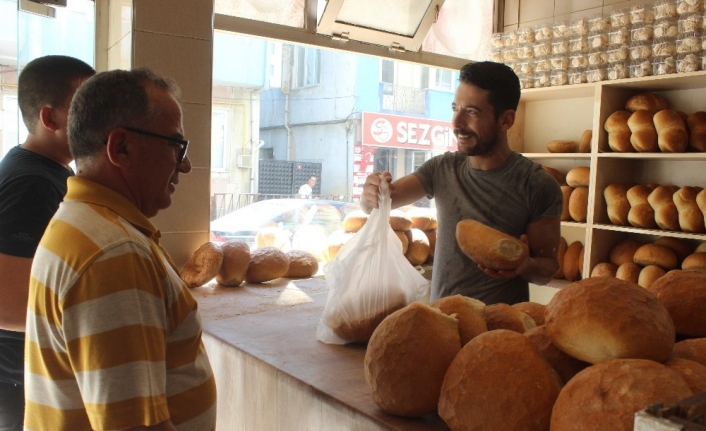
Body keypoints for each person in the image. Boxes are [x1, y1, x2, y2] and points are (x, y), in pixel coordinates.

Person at [24, 68, 216, 431]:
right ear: (121, 148)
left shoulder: (82, 222)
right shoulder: (113, 254)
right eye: (176, 146)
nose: (185, 165)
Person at [361, 61, 562, 306]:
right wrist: (371, 194)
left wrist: (525, 265)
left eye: (472, 112)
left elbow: (548, 269)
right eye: (455, 108)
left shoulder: (537, 184)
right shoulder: (441, 169)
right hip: (442, 324)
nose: (456, 123)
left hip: (498, 334)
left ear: (506, 120)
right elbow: (380, 203)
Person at [0, 55, 95, 431]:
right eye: (82, 108)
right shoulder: (32, 184)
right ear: (49, 118)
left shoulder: (43, 171)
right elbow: (7, 305)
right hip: (21, 381)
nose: (94, 120)